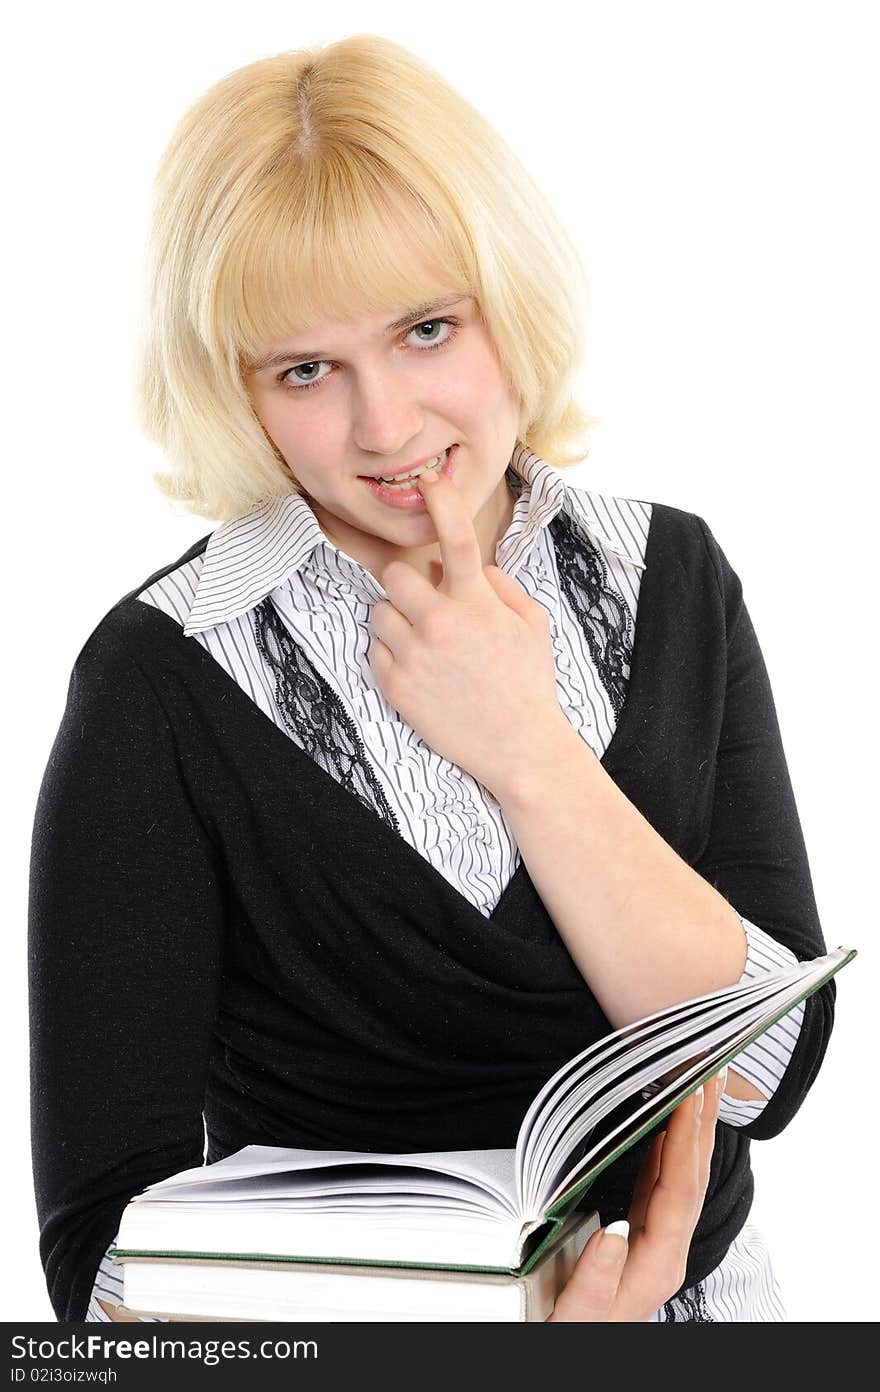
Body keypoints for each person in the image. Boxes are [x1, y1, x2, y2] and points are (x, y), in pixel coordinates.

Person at [27, 36, 834, 1325]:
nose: (386, 427)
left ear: (509, 298)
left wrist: (524, 745)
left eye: (427, 329)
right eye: (305, 369)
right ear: (233, 391)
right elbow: (100, 1266)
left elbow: (768, 1075)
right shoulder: (161, 678)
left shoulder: (670, 577)